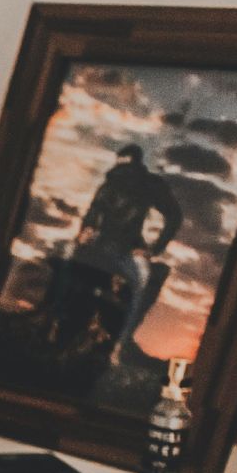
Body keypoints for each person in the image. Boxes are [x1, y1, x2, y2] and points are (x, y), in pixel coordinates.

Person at [70, 143, 182, 360]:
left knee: (140, 285)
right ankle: (67, 328)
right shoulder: (109, 183)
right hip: (101, 246)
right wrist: (85, 230)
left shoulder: (147, 184)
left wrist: (152, 249)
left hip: (127, 250)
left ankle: (118, 344)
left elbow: (174, 215)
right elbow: (93, 211)